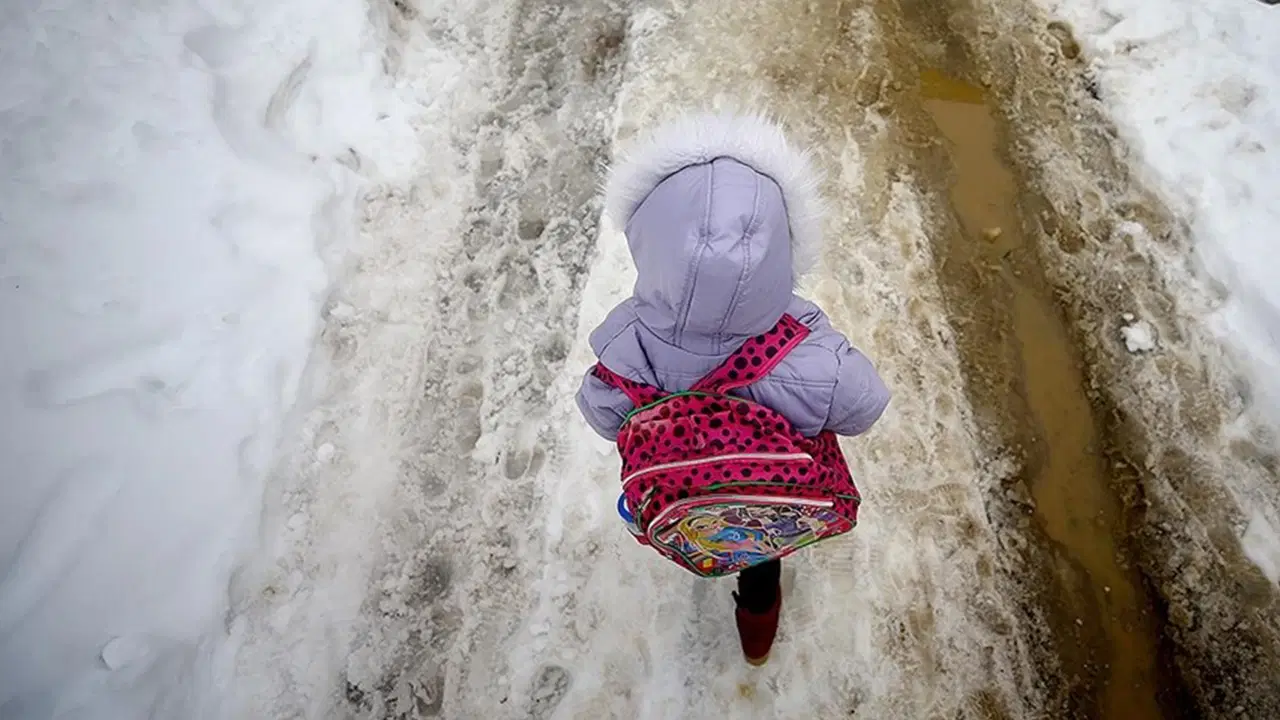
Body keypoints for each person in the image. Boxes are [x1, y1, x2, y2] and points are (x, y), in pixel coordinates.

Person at [575, 112, 891, 665]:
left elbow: (601, 411)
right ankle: (757, 640)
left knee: (704, 522)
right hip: (763, 494)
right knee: (759, 556)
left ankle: (701, 546)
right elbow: (865, 405)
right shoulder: (806, 356)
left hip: (680, 492)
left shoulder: (628, 345)